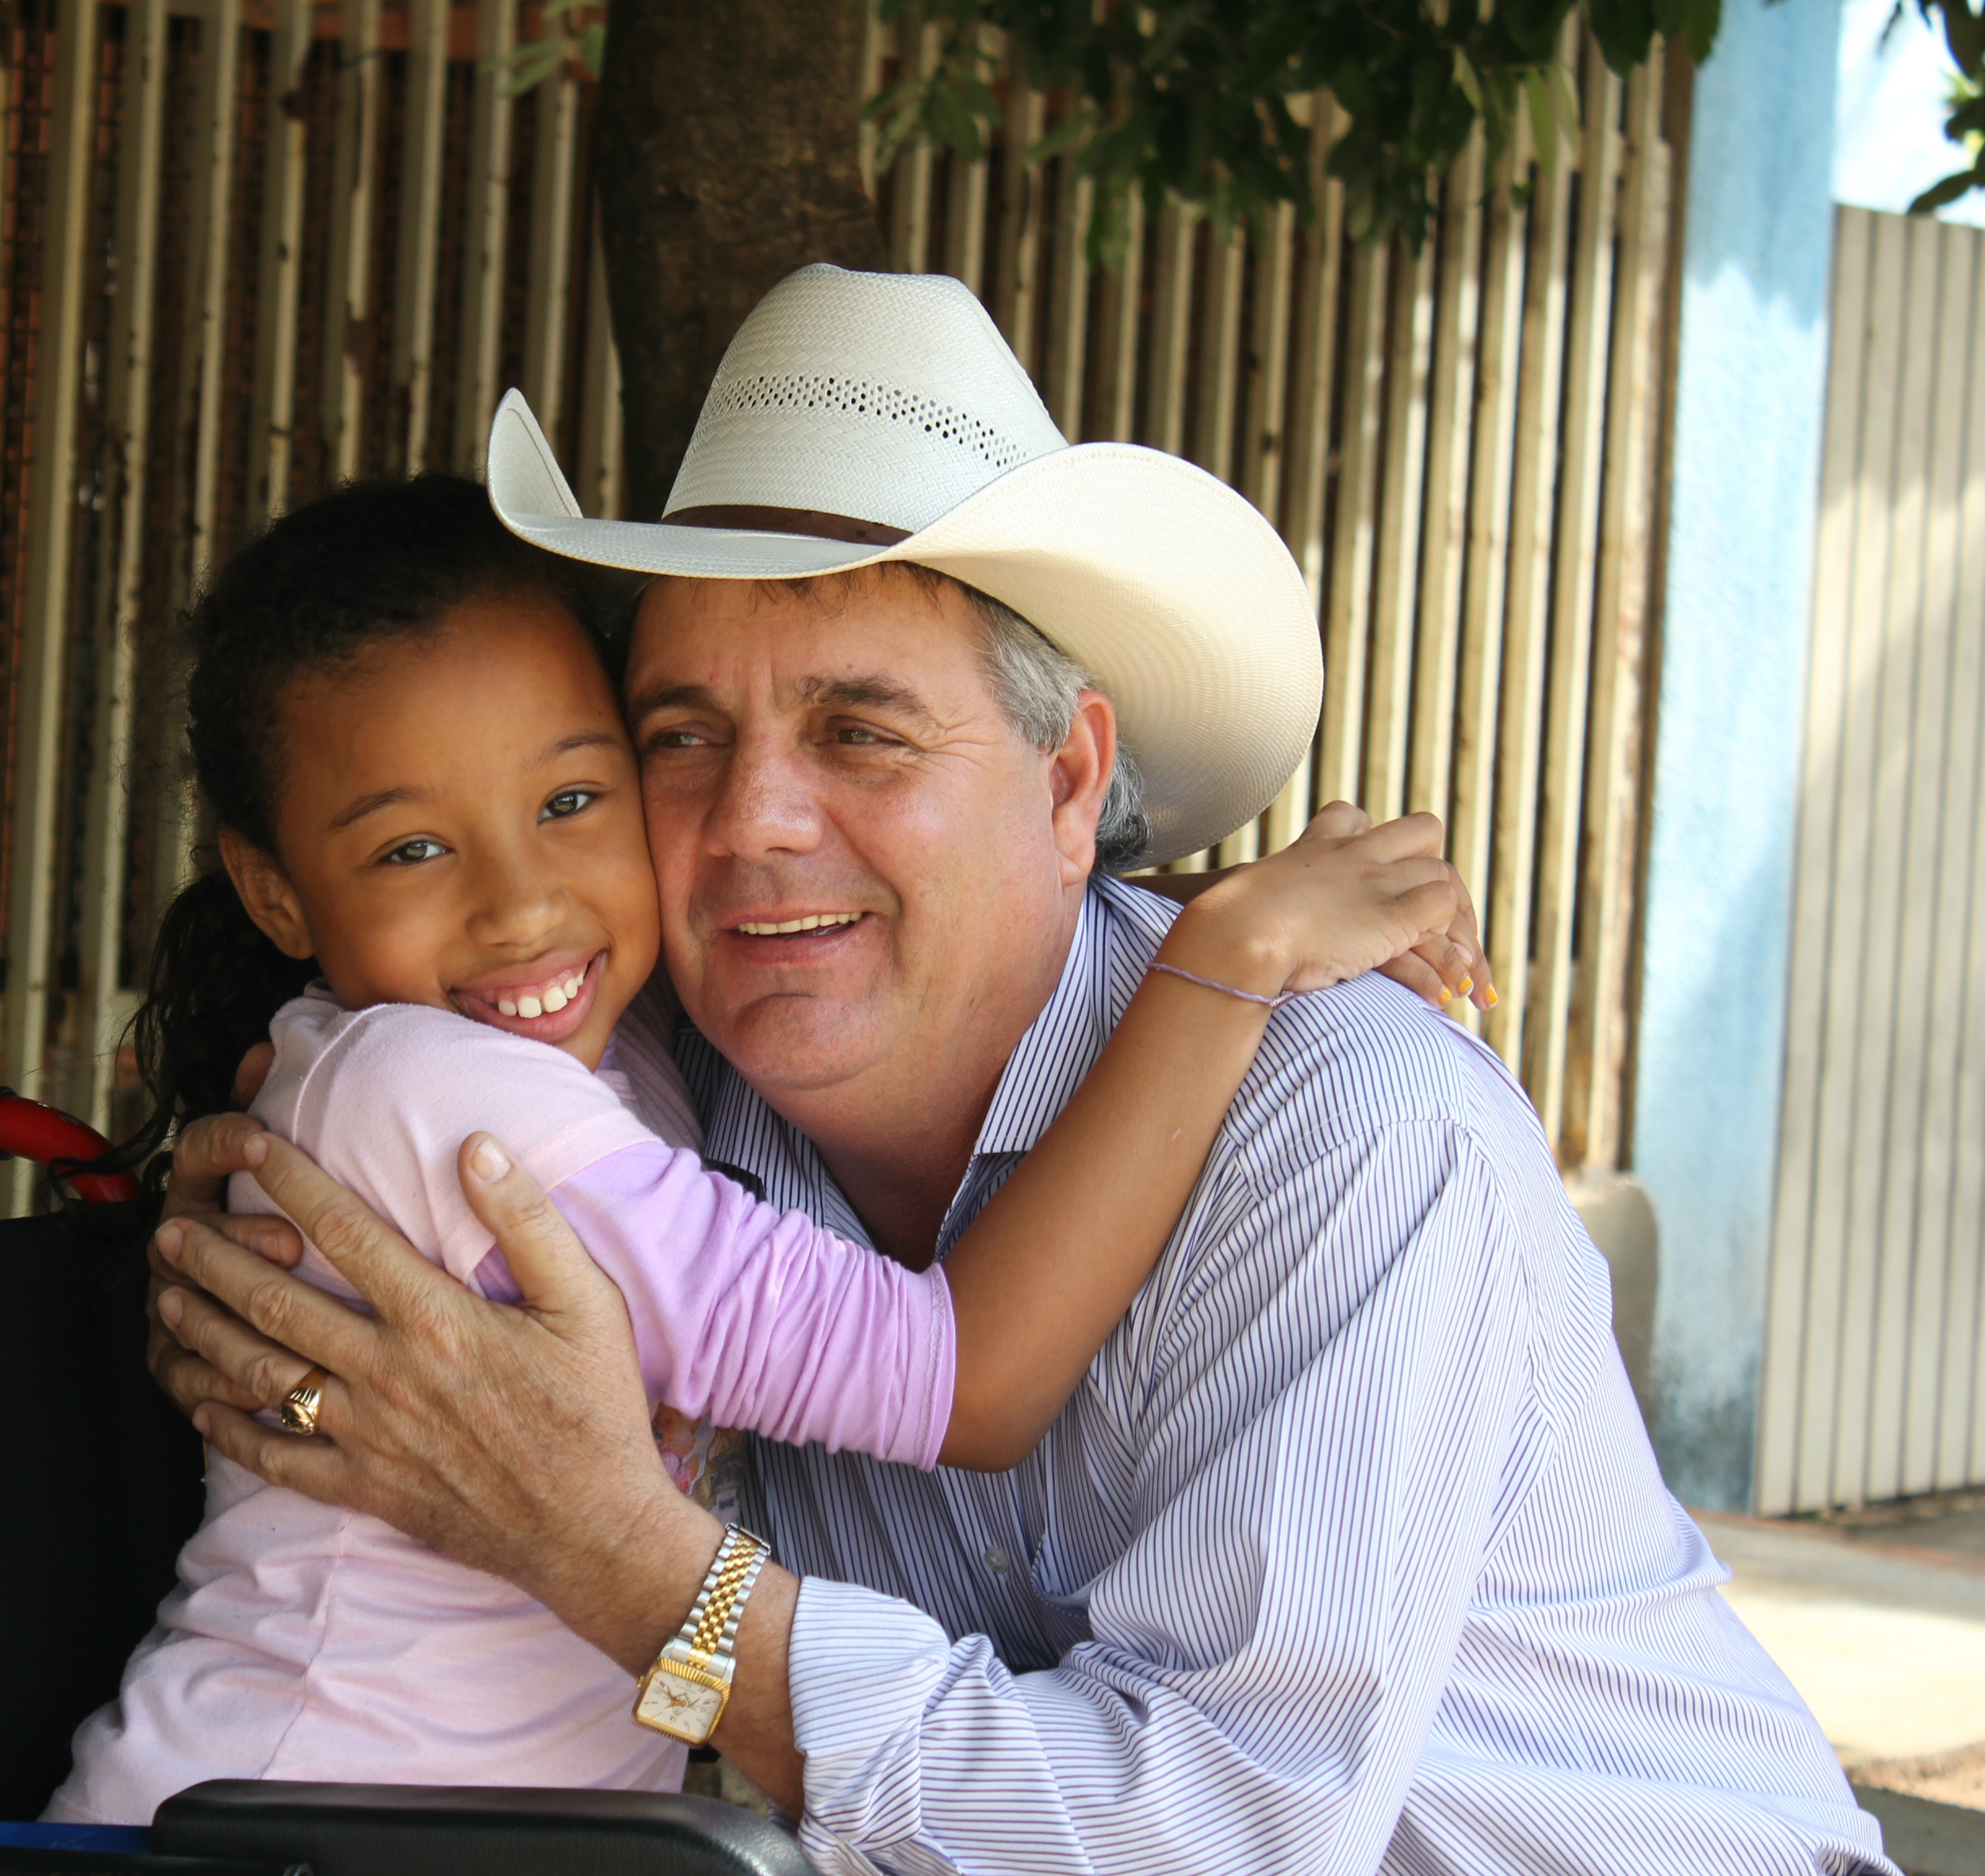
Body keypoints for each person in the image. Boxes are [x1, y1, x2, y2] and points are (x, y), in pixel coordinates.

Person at [143, 267, 1894, 1874]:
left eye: (859, 733)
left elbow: (1213, 1838)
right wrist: (272, 1294)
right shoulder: (662, 1094)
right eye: (683, 740)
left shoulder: (1354, 1131)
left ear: (1071, 793)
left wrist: (627, 1571)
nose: (753, 825)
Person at [44, 472, 1471, 1826]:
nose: (524, 908)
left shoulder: (628, 1039)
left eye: (569, 802)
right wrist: (1222, 961)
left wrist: (1149, 913)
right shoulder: (476, 1087)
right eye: (688, 742)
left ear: (1066, 783)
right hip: (277, 1828)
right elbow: (961, 1379)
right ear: (275, 890)